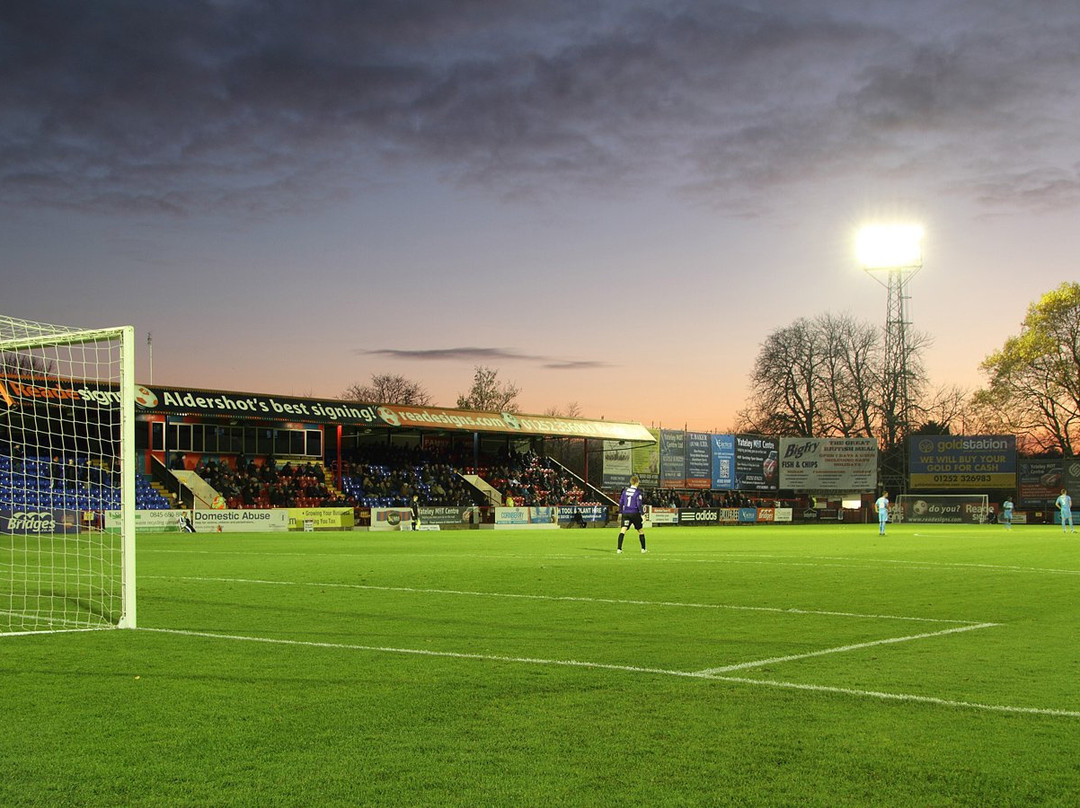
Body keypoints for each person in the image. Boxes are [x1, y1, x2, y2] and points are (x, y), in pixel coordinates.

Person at [617, 474, 647, 553]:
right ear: (637, 482)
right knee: (640, 531)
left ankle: (619, 549)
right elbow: (639, 504)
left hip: (626, 513)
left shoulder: (625, 491)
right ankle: (643, 549)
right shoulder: (638, 492)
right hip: (634, 513)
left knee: (623, 530)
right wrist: (643, 515)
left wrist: (620, 512)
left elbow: (621, 502)